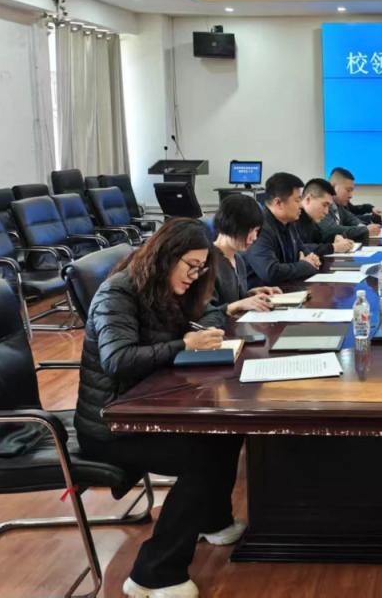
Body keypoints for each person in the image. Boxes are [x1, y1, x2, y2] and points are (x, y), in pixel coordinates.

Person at [74, 218, 245, 598]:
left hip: (147, 406)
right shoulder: (118, 293)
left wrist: (204, 326)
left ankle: (212, 520)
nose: (195, 276)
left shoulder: (169, 287)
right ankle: (154, 574)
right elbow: (118, 359)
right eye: (191, 267)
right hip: (110, 425)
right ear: (167, 257)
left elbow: (209, 312)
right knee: (201, 458)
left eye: (201, 269)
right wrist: (184, 344)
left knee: (227, 432)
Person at [244, 172, 322, 287]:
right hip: (263, 293)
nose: (301, 205)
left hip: (285, 288)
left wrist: (312, 259)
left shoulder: (289, 222)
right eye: (297, 200)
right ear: (278, 203)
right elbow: (271, 272)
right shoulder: (260, 227)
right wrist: (305, 265)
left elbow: (302, 250)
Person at [211, 194, 284, 317]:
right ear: (231, 225)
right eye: (250, 230)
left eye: (256, 231)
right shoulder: (207, 261)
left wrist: (250, 295)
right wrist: (239, 305)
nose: (254, 237)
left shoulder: (238, 259)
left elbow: (232, 300)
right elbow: (204, 315)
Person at [321, 168, 382, 242]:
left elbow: (352, 219)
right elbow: (331, 230)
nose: (351, 196)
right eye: (348, 190)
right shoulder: (321, 205)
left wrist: (364, 227)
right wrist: (364, 230)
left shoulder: (338, 205)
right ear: (332, 187)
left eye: (352, 191)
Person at [297, 178, 355, 256]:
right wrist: (333, 247)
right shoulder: (293, 219)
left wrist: (335, 238)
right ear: (308, 199)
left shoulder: (310, 219)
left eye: (328, 206)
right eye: (324, 205)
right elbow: (298, 248)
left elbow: (319, 238)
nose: (326, 212)